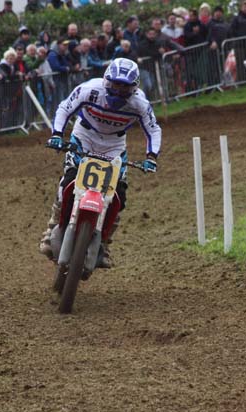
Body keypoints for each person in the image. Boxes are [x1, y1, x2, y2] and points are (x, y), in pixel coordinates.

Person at [39, 58, 162, 268]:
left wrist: (151, 157)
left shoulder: (139, 103)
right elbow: (64, 108)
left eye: (125, 86)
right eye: (116, 84)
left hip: (114, 146)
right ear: (107, 81)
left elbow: (153, 129)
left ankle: (104, 243)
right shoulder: (89, 90)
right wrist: (58, 134)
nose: (119, 90)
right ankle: (51, 229)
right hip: (83, 137)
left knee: (118, 195)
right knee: (69, 181)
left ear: (134, 86)